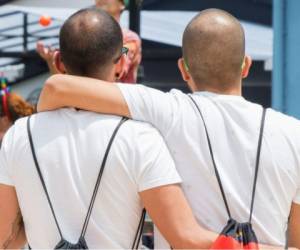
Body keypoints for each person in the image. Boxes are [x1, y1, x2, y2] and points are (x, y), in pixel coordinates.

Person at [37, 8, 300, 249]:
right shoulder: (294, 134)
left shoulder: (167, 110)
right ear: (246, 66)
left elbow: (56, 88)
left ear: (183, 69)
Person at [0, 8, 216, 249]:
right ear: (121, 63)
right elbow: (185, 237)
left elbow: (6, 236)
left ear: (59, 62)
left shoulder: (19, 135)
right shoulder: (140, 139)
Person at [36, 0, 141, 83]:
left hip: (119, 105)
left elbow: (127, 50)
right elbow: (63, 79)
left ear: (122, 4)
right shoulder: (82, 34)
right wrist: (51, 60)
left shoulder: (130, 38)